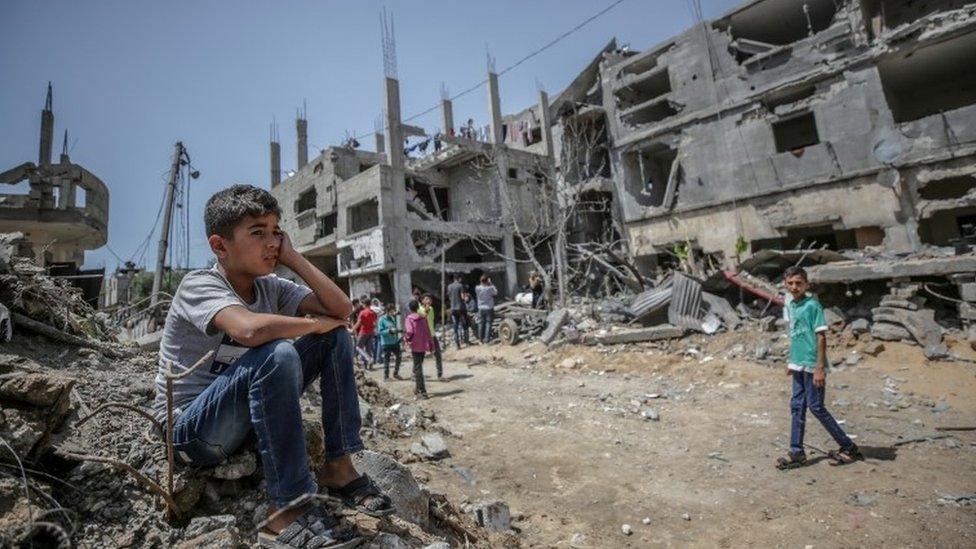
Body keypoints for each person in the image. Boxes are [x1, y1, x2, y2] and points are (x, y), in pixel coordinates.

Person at [152, 184, 392, 548]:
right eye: (258, 233)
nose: (271, 243)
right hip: (191, 431)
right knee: (277, 352)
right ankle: (288, 512)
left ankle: (339, 467)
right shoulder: (199, 284)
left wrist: (294, 258)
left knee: (335, 337)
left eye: (276, 232)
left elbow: (341, 310)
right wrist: (313, 324)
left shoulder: (271, 286)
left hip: (241, 418)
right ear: (220, 246)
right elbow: (248, 330)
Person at [776, 266, 862, 470]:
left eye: (798, 283)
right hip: (799, 364)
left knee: (816, 407)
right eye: (790, 283)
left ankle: (849, 447)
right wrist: (792, 362)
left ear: (806, 284)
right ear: (785, 284)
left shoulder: (813, 305)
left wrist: (819, 368)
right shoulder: (791, 305)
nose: (794, 287)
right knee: (797, 406)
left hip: (813, 365)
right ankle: (796, 452)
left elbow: (820, 337)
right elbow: (797, 335)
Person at [403, 299, 433, 399]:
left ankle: (423, 391)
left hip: (415, 346)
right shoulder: (423, 318)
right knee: (418, 366)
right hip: (423, 345)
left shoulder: (409, 319)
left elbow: (410, 331)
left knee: (418, 368)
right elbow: (428, 332)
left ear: (410, 308)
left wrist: (406, 338)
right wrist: (431, 344)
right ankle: (417, 389)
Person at [418, 293, 443, 379]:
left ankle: (440, 374)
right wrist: (427, 307)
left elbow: (430, 319)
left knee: (438, 354)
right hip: (424, 336)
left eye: (430, 299)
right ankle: (415, 372)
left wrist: (428, 307)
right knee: (421, 355)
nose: (429, 301)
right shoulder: (419, 310)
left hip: (432, 334)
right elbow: (424, 315)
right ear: (422, 300)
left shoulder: (431, 309)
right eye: (427, 299)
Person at [351, 298, 378, 369]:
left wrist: (352, 329)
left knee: (358, 347)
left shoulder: (362, 312)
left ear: (364, 304)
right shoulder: (373, 312)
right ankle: (369, 366)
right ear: (370, 304)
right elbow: (375, 323)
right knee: (368, 349)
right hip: (371, 332)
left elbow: (358, 323)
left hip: (363, 332)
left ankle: (368, 360)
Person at [377, 304, 402, 380]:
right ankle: (386, 376)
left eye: (393, 311)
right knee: (386, 360)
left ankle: (396, 373)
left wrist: (398, 331)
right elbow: (380, 332)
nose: (393, 312)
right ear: (387, 311)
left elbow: (393, 328)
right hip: (386, 343)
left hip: (394, 341)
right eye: (391, 311)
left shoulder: (392, 318)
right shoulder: (382, 319)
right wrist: (389, 331)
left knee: (399, 356)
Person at [446, 275, 469, 349]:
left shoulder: (449, 286)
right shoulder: (460, 285)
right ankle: (466, 342)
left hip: (453, 309)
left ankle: (457, 345)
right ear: (458, 279)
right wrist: (465, 297)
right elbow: (462, 297)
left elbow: (449, 297)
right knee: (464, 325)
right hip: (461, 308)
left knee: (455, 327)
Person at [475, 275, 497, 343]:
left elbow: (480, 285)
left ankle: (480, 339)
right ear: (487, 281)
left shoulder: (477, 288)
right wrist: (491, 283)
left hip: (480, 308)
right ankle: (487, 339)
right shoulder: (490, 288)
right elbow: (495, 292)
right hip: (488, 308)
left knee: (481, 323)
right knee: (488, 323)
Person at [370, 298, 384, 365]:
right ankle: (378, 358)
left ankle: (374, 359)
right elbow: (382, 312)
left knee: (374, 344)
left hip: (372, 329)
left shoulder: (370, 309)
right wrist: (380, 305)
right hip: (378, 328)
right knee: (379, 343)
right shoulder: (378, 309)